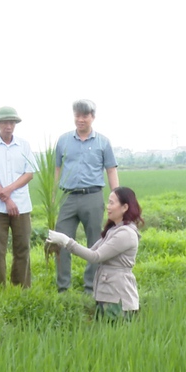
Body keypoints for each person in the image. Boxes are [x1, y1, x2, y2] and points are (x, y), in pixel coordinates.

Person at [46, 186, 142, 319]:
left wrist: (67, 241)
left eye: (112, 203)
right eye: (108, 202)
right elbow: (92, 251)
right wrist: (64, 242)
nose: (108, 207)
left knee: (115, 336)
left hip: (118, 300)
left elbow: (95, 257)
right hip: (107, 295)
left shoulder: (125, 234)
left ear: (125, 207)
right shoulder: (113, 230)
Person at [54, 99, 120, 294]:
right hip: (68, 197)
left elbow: (111, 170)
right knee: (61, 240)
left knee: (95, 242)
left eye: (85, 116)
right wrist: (52, 196)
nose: (80, 119)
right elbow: (56, 169)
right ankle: (63, 288)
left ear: (93, 117)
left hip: (93, 196)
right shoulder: (64, 140)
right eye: (77, 115)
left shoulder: (102, 142)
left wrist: (116, 197)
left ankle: (91, 287)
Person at [0, 106, 38, 287]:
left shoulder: (24, 145)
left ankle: (21, 286)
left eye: (12, 122)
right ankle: (0, 286)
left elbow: (29, 173)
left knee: (22, 247)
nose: (8, 126)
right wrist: (7, 199)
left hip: (22, 205)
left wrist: (10, 190)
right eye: (4, 122)